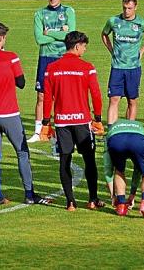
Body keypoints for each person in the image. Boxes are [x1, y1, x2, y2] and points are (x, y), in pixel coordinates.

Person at [0, 23, 49, 205]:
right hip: (9, 113)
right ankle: (29, 194)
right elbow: (21, 82)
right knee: (22, 152)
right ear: (0, 38)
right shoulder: (11, 58)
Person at [42, 31, 104, 211]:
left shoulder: (51, 68)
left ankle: (70, 202)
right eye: (84, 46)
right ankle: (93, 199)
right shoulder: (87, 67)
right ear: (77, 46)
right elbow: (96, 94)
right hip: (82, 121)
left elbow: (47, 97)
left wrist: (46, 122)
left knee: (65, 160)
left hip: (62, 122)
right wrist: (98, 118)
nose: (85, 49)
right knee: (89, 160)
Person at [30, 0, 76, 142]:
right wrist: (60, 33)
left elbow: (71, 36)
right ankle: (39, 131)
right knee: (41, 95)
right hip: (46, 58)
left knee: (62, 95)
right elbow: (39, 39)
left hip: (63, 58)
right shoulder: (40, 13)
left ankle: (61, 130)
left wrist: (49, 32)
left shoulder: (68, 11)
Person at [101, 0, 144, 126]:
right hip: (117, 68)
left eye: (130, 8)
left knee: (132, 100)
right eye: (125, 8)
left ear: (136, 7)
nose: (126, 11)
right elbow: (104, 34)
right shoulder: (113, 21)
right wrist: (111, 50)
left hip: (133, 68)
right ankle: (111, 131)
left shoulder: (142, 23)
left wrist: (142, 51)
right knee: (114, 99)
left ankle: (129, 129)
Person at [105, 118, 144, 218]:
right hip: (138, 140)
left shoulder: (110, 131)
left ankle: (121, 205)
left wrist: (113, 196)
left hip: (116, 140)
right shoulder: (139, 125)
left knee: (119, 170)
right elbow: (138, 170)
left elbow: (108, 168)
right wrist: (132, 195)